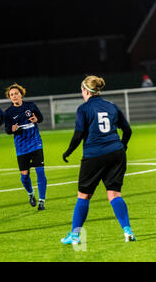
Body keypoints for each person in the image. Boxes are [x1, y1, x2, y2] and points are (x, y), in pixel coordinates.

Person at [61, 75, 135, 245]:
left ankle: (75, 235)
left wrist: (68, 151)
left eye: (81, 89)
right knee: (114, 194)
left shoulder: (84, 109)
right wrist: (122, 146)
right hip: (116, 153)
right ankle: (127, 231)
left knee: (84, 195)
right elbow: (128, 130)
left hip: (94, 155)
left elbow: (79, 134)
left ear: (86, 90)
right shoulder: (112, 106)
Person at [3, 83, 47, 211]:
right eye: (12, 95)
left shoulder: (31, 105)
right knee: (24, 176)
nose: (14, 96)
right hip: (21, 147)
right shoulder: (8, 113)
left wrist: (36, 119)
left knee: (40, 171)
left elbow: (41, 118)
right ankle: (30, 193)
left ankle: (42, 200)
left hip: (35, 143)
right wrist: (12, 129)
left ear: (21, 94)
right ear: (10, 98)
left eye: (16, 93)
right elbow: (7, 130)